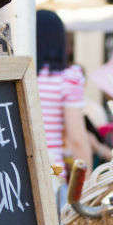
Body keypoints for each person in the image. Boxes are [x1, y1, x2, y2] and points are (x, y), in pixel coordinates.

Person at [35, 10, 91, 171]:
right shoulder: (69, 77)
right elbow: (77, 139)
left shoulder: (19, 74)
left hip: (14, 170)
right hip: (51, 167)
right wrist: (87, 183)